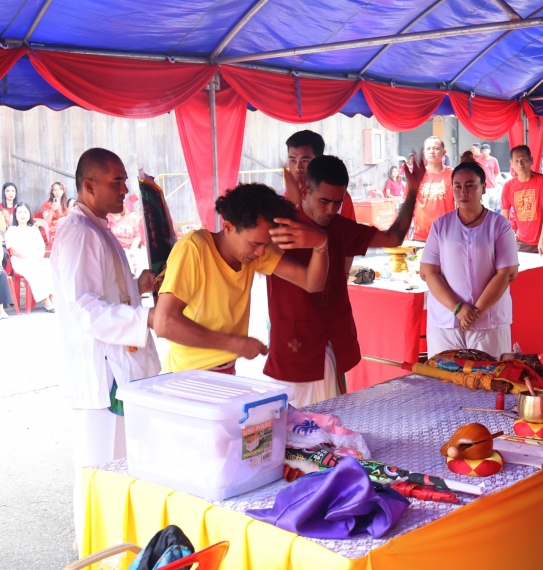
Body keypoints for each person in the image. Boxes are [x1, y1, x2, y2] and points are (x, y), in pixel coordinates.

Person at [50, 148, 161, 553]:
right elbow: (86, 309)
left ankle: (115, 550)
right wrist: (146, 318)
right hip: (104, 377)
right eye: (116, 181)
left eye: (125, 181)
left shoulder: (96, 228)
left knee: (119, 472)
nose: (125, 189)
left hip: (117, 368)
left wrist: (138, 285)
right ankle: (97, 554)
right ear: (89, 185)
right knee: (101, 474)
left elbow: (107, 293)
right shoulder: (80, 233)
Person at [264, 154, 424, 407]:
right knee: (292, 423)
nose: (330, 210)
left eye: (337, 203)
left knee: (331, 421)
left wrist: (412, 192)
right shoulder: (280, 228)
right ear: (305, 191)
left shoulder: (339, 227)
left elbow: (393, 239)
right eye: (324, 201)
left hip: (332, 343)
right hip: (293, 347)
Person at [154, 182, 329, 375]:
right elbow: (164, 323)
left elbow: (312, 283)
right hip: (186, 376)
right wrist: (234, 344)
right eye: (255, 243)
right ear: (228, 227)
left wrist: (321, 244)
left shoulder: (254, 253)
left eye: (266, 244)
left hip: (226, 372)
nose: (261, 251)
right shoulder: (194, 249)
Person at [420, 161, 519, 357]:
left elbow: (507, 273)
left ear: (483, 187)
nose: (463, 192)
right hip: (446, 321)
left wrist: (474, 312)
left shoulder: (500, 225)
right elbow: (428, 272)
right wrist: (457, 309)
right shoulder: (441, 226)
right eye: (457, 186)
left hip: (488, 321)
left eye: (470, 185)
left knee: (489, 374)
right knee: (445, 374)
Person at [283, 130, 356, 222]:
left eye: (305, 160)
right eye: (293, 160)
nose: (298, 167)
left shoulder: (338, 197)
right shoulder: (281, 198)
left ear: (318, 160)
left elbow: (350, 230)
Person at [501, 145, 543, 256]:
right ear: (511, 163)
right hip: (522, 241)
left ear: (531, 160)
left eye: (523, 159)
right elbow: (504, 218)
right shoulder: (508, 186)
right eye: (516, 161)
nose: (520, 164)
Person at [5, 202, 56, 311]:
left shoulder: (33, 229)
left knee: (48, 264)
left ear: (29, 214)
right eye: (20, 212)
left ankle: (52, 297)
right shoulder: (12, 230)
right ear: (15, 215)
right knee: (34, 268)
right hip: (20, 261)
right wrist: (29, 258)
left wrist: (39, 257)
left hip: (35, 258)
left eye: (25, 212)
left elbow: (41, 247)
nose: (22, 214)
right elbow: (13, 251)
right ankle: (46, 301)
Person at [412, 136, 455, 241]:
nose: (432, 152)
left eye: (436, 148)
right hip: (421, 236)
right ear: (424, 153)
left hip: (447, 235)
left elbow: (461, 205)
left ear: (444, 152)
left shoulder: (454, 175)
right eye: (428, 149)